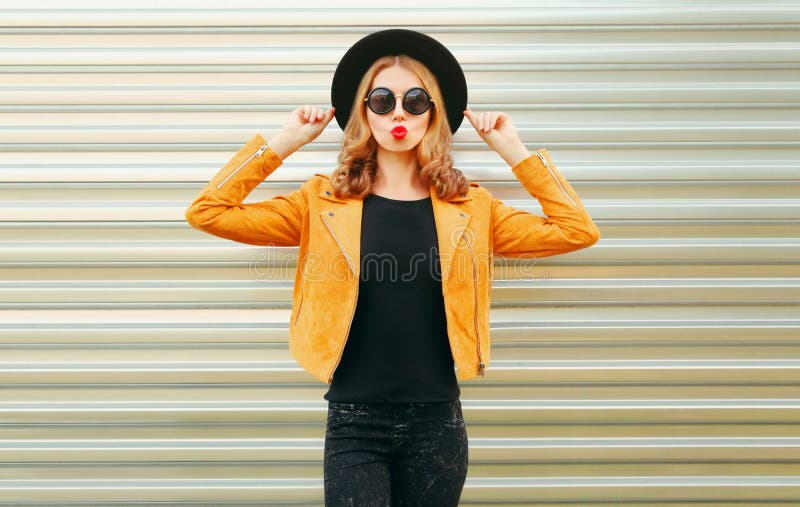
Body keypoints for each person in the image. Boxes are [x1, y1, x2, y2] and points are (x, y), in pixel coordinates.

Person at [185, 29, 600, 507]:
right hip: (354, 421)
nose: (398, 112)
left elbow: (577, 230)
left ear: (434, 112)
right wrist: (283, 142)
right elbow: (208, 212)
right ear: (363, 112)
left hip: (437, 423)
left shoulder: (473, 209)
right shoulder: (321, 202)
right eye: (381, 100)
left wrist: (515, 153)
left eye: (415, 99)